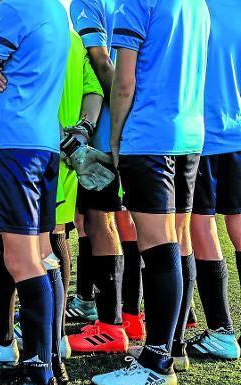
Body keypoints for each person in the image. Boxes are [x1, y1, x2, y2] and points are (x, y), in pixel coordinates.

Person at [0, 26, 103, 385]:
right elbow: (94, 91)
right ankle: (52, 342)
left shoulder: (22, 23)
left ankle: (10, 340)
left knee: (14, 243)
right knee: (52, 239)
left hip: (26, 146)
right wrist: (83, 128)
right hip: (60, 150)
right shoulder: (71, 37)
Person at [91, 0, 210, 383]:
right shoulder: (199, 6)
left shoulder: (137, 3)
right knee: (177, 240)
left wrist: (114, 139)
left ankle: (156, 363)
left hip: (149, 138)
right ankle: (172, 348)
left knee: (159, 248)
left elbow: (124, 83)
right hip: (190, 136)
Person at [0, 0, 70, 383]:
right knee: (44, 255)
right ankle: (52, 357)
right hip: (45, 146)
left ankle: (37, 368)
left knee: (21, 261)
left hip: (16, 147)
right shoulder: (58, 10)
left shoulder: (14, 7)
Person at [66, 0, 143, 355]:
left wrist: (126, 117)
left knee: (100, 223)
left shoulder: (87, 3)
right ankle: (130, 316)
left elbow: (100, 63)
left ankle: (110, 324)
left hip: (110, 135)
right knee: (129, 224)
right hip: (144, 132)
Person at [187, 0, 241, 361]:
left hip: (200, 136)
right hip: (236, 133)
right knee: (238, 227)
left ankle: (221, 332)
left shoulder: (191, 7)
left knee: (199, 226)